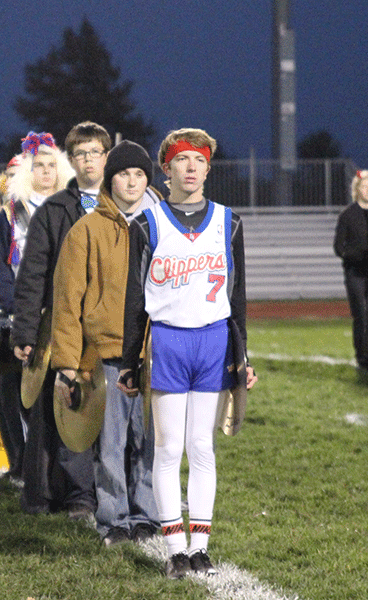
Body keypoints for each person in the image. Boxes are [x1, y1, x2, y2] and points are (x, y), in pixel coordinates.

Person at [117, 128, 258, 579]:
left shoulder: (229, 221)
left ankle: (201, 547)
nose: (191, 168)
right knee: (166, 447)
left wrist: (243, 355)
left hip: (214, 340)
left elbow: (238, 298)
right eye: (182, 160)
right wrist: (128, 359)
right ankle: (175, 547)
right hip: (168, 343)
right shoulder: (147, 223)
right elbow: (134, 300)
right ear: (168, 168)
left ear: (208, 169)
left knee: (202, 447)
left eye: (198, 161)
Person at [50, 140, 160, 547]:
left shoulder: (162, 225)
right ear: (110, 179)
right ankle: (113, 518)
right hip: (107, 356)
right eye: (124, 174)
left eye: (139, 175)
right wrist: (66, 362)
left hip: (154, 354)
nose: (131, 182)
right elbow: (67, 300)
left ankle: (147, 515)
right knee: (111, 445)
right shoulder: (86, 229)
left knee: (149, 442)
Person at [12, 121, 112, 517]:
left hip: (114, 326)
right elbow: (32, 273)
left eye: (96, 152)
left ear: (106, 157)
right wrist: (24, 330)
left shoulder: (126, 200)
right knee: (73, 408)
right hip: (67, 325)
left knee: (118, 412)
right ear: (72, 161)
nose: (89, 160)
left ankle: (121, 487)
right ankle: (78, 494)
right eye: (81, 153)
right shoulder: (54, 210)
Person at [0, 134, 73, 482]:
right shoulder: (11, 214)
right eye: (38, 166)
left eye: (52, 165)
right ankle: (21, 463)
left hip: (64, 316)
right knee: (11, 391)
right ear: (26, 171)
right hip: (22, 316)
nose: (46, 172)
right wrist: (21, 308)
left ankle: (58, 469)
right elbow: (0, 270)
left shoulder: (74, 208)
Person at [334, 169, 368, 373]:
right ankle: (362, 359)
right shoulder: (348, 215)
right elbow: (339, 247)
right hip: (355, 273)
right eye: (365, 187)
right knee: (361, 317)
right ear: (357, 189)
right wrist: (359, 254)